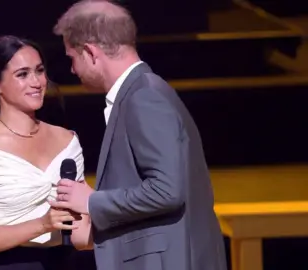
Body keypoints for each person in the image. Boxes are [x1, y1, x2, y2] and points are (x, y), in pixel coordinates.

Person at [49, 1, 228, 270]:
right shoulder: (143, 92)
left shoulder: (143, 97)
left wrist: (91, 200)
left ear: (90, 52)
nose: (73, 69)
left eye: (72, 58)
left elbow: (167, 191)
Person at [0, 35, 94, 270]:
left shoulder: (67, 141)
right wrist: (42, 224)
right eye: (22, 74)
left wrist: (107, 211)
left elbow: (79, 235)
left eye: (39, 71)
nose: (36, 82)